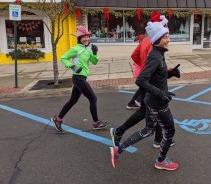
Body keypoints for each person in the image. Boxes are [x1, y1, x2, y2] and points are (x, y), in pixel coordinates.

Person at [110, 21, 180, 171]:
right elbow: (141, 80)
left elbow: (156, 78)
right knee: (169, 131)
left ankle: (118, 149)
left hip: (151, 101)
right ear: (157, 40)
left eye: (168, 36)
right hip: (158, 103)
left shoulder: (158, 55)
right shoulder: (155, 56)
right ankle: (161, 161)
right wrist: (161, 93)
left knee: (148, 130)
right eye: (165, 37)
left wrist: (171, 73)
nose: (169, 39)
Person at [50, 26, 108, 132]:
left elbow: (94, 62)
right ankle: (96, 123)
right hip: (78, 78)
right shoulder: (76, 49)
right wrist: (72, 66)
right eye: (84, 37)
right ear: (79, 38)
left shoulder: (88, 49)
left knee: (73, 100)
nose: (86, 39)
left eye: (87, 37)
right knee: (93, 99)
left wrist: (95, 54)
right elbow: (63, 58)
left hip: (82, 78)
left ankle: (57, 119)